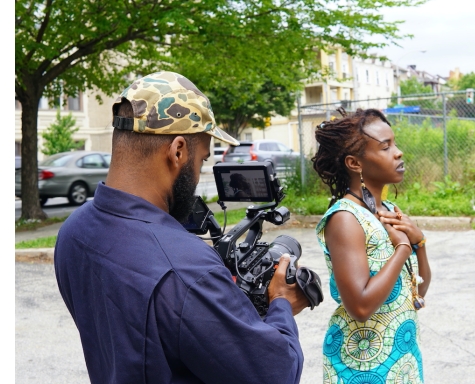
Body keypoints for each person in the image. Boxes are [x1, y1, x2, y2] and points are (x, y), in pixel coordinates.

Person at [54, 71, 310, 384]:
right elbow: (276, 374)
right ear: (177, 151)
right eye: (202, 159)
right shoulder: (185, 268)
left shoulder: (74, 231)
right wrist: (281, 302)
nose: (200, 169)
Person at [311, 108, 432, 383]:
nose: (398, 152)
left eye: (395, 143)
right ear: (355, 163)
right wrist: (402, 249)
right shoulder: (345, 218)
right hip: (364, 366)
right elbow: (361, 307)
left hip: (402, 358)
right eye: (385, 147)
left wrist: (419, 242)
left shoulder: (390, 210)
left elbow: (419, 293)